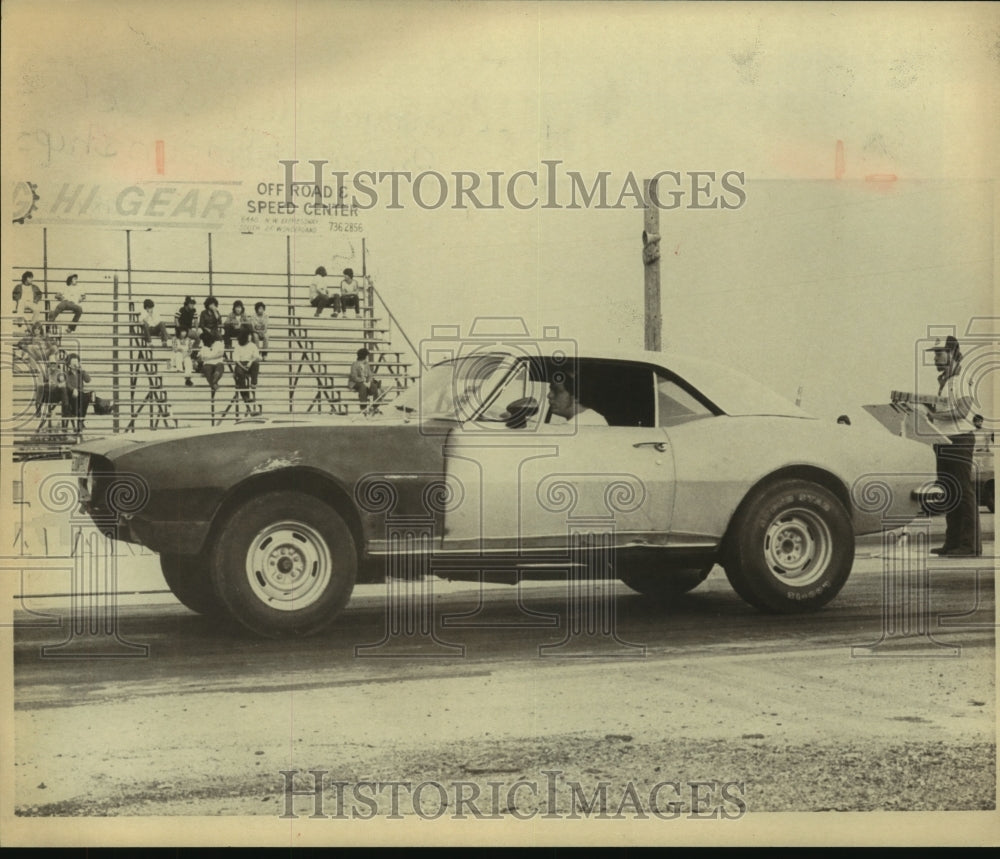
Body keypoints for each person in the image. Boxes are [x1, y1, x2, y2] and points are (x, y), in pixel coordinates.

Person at [923, 336, 978, 557]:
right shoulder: (945, 380)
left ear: (952, 353)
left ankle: (968, 545)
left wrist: (933, 414)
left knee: (963, 491)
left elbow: (963, 411)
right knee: (950, 492)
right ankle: (952, 542)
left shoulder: (962, 377)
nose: (935, 358)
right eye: (934, 354)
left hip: (959, 438)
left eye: (939, 353)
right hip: (944, 438)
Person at [232, 329, 262, 412]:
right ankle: (246, 396)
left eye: (250, 335)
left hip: (250, 362)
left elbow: (256, 356)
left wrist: (250, 362)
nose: (250, 337)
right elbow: (236, 359)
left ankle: (253, 383)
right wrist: (243, 367)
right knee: (239, 373)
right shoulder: (238, 346)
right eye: (248, 335)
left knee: (256, 364)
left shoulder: (252, 345)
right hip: (240, 364)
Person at [61, 352, 92, 432]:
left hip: (80, 394)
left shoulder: (80, 373)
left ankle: (80, 420)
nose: (75, 365)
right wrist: (73, 389)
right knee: (77, 399)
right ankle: (80, 420)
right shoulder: (66, 374)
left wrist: (82, 370)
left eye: (77, 362)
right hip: (71, 395)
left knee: (87, 396)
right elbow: (66, 384)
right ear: (69, 365)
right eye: (73, 363)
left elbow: (88, 380)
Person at [348, 347, 381, 412]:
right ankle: (363, 407)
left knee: (374, 386)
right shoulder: (354, 364)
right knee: (363, 387)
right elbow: (354, 377)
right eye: (366, 356)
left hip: (365, 382)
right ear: (363, 356)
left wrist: (369, 381)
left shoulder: (366, 364)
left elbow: (370, 375)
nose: (366, 358)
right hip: (356, 383)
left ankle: (375, 406)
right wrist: (363, 381)